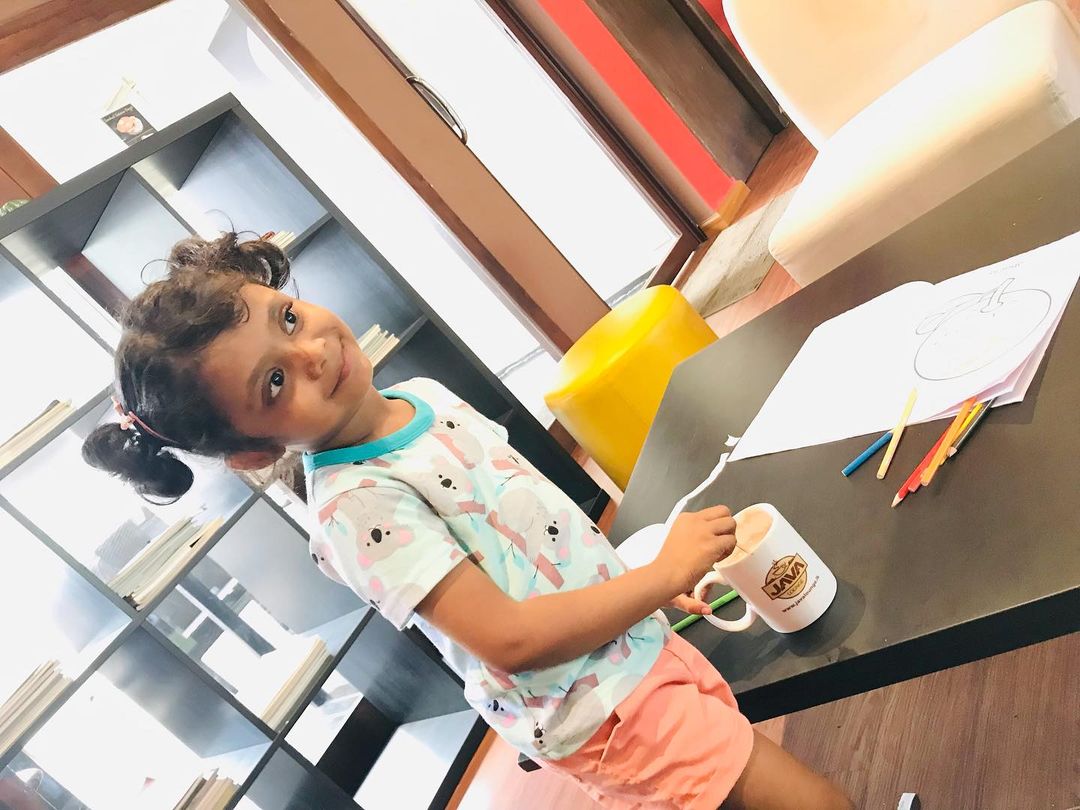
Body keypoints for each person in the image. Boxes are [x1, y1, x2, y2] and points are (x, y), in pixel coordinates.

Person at [85, 232, 851, 810]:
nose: (313, 350)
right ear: (255, 451)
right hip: (602, 709)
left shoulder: (422, 396)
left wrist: (632, 588)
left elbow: (533, 537)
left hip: (628, 646)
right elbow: (510, 639)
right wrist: (659, 575)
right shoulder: (356, 509)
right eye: (276, 381)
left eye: (287, 318)